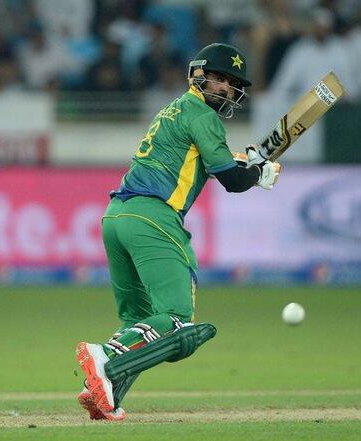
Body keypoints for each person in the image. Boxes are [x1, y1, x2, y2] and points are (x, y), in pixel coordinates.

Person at [75, 43, 280, 420]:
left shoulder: (175, 108)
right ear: (199, 75)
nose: (227, 89)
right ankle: (103, 356)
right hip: (154, 219)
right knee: (176, 318)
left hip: (116, 217)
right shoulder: (203, 114)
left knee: (137, 320)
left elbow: (204, 160)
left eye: (233, 84)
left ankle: (105, 391)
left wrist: (245, 163)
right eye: (220, 79)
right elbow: (231, 181)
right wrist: (257, 174)